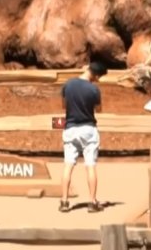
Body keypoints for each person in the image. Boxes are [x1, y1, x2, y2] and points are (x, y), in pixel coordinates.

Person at [59, 60, 107, 213]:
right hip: (88, 129)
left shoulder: (68, 85)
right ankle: (92, 202)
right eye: (99, 77)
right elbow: (99, 110)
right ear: (96, 75)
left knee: (68, 165)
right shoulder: (94, 90)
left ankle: (64, 201)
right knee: (90, 165)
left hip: (71, 128)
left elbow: (63, 106)